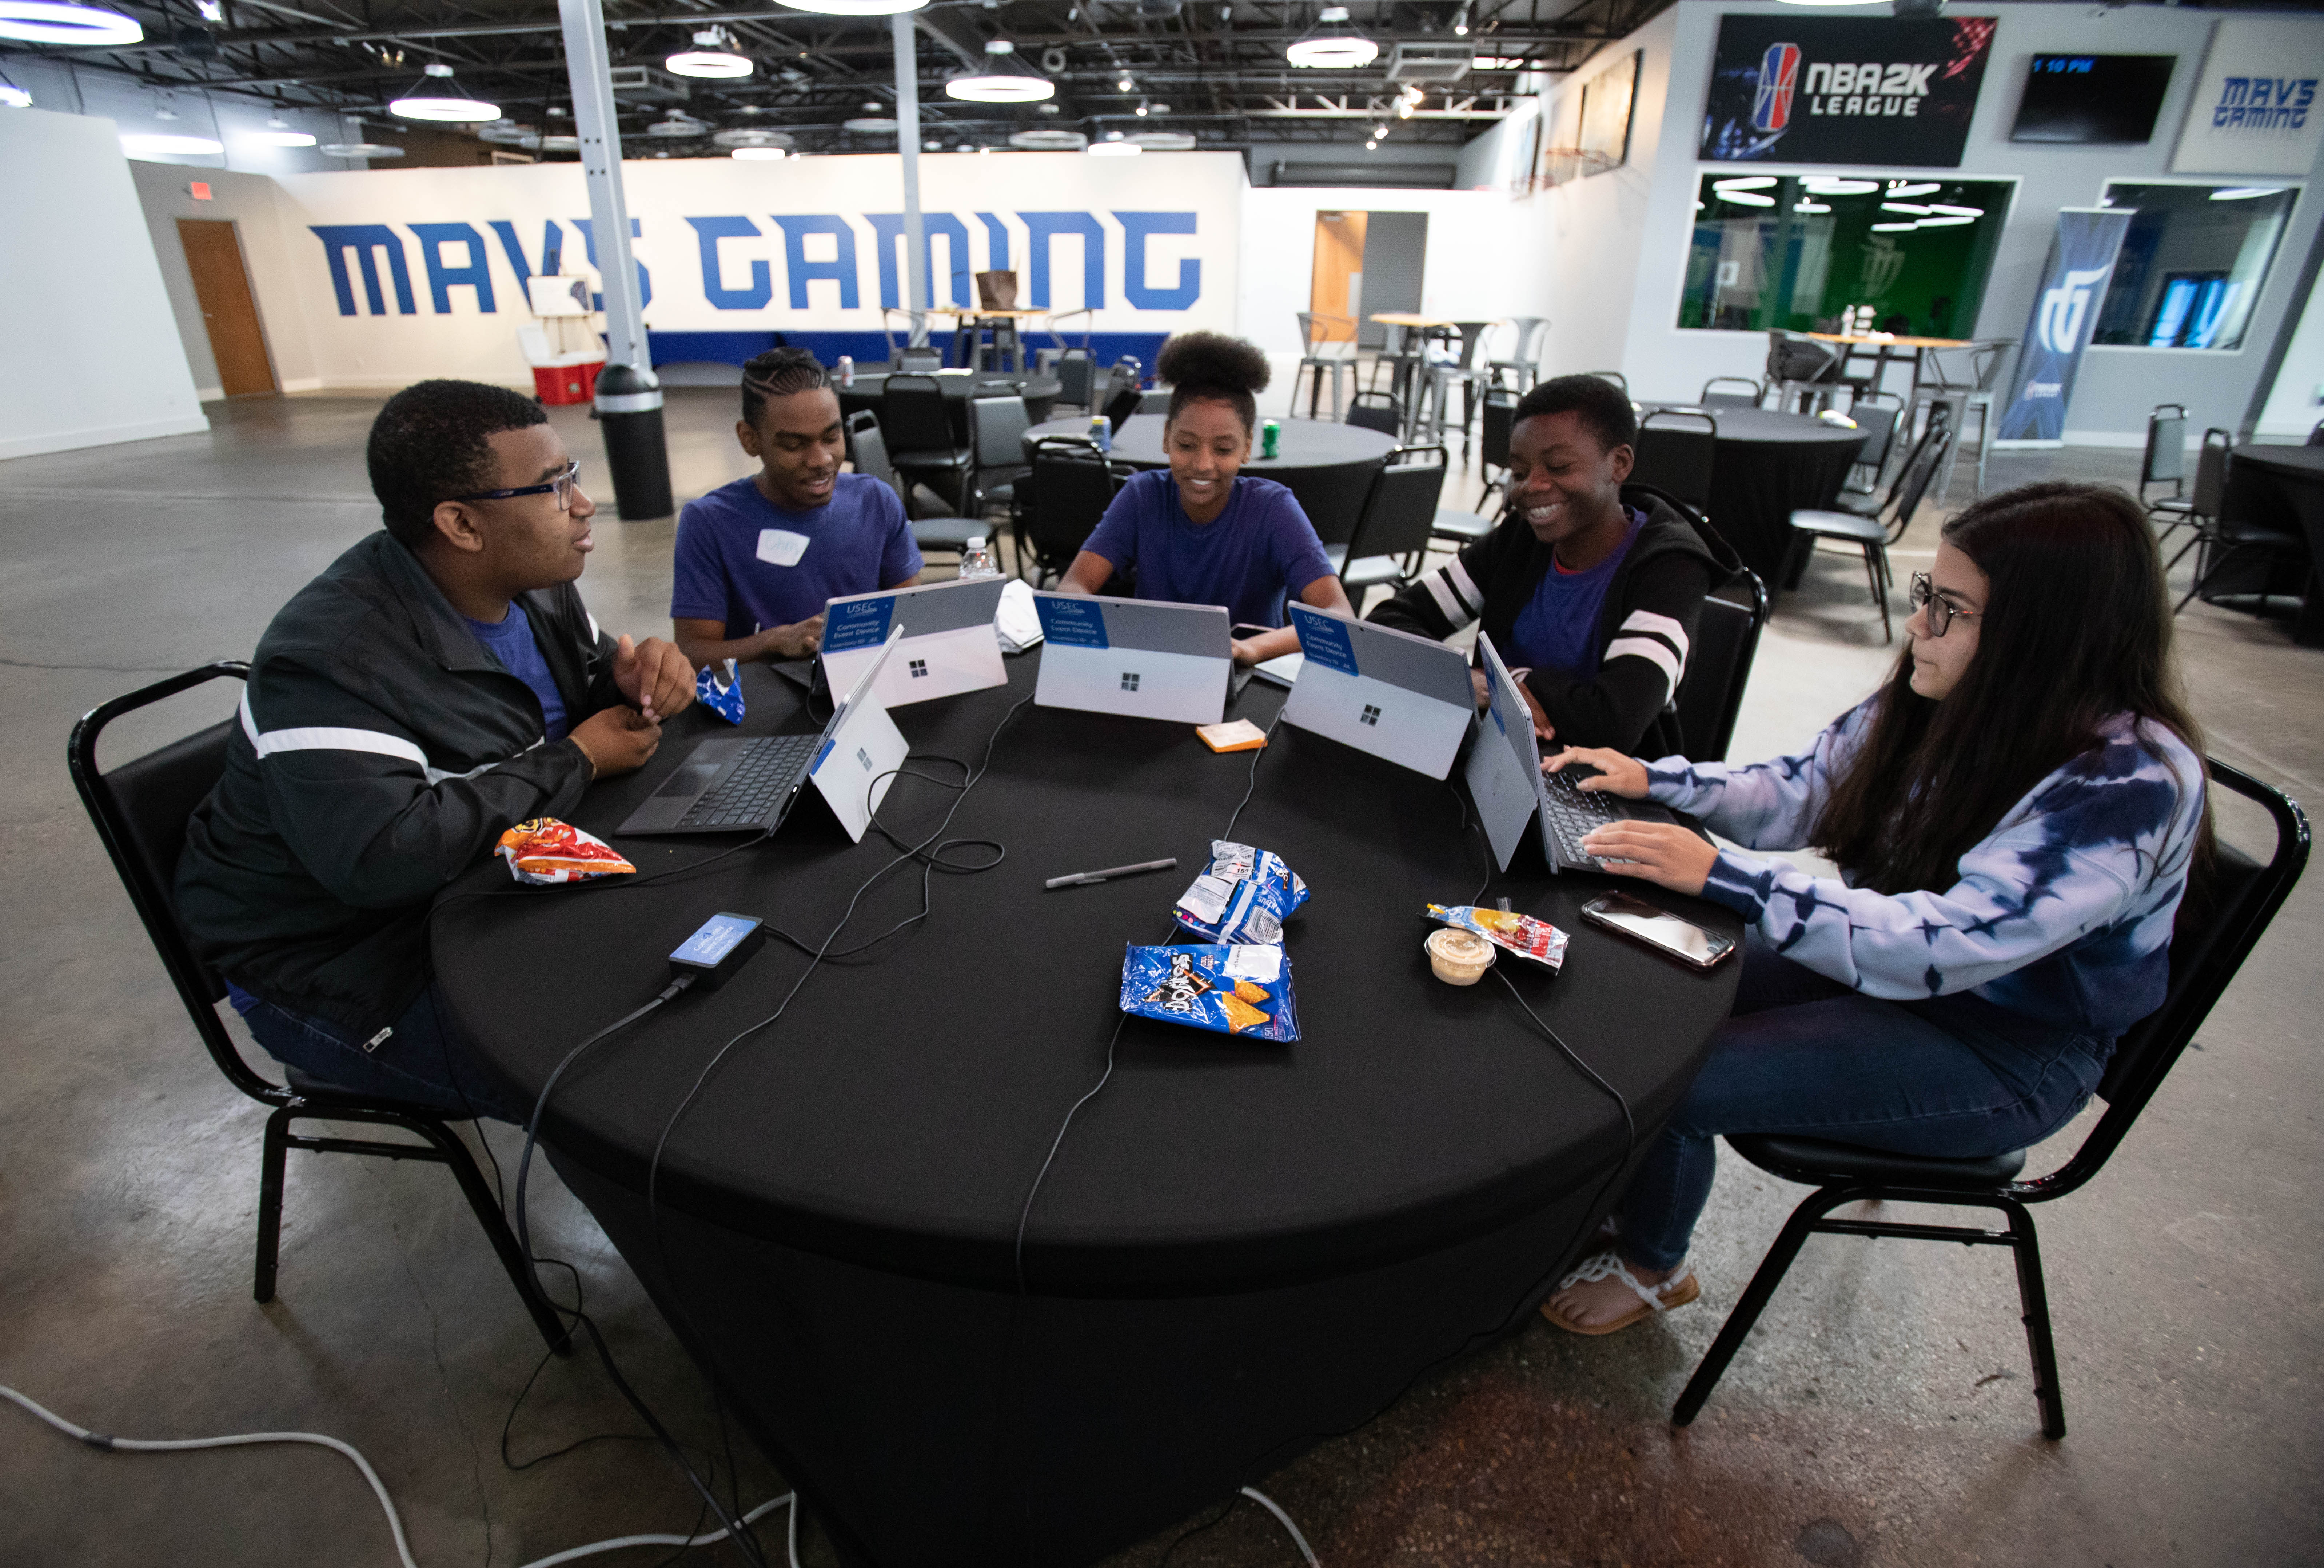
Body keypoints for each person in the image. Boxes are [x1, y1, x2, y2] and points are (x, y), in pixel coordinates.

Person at [1535, 483, 2210, 1335]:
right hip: (1893, 971)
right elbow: (1801, 788)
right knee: (1645, 983)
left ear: (2041, 634)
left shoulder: (2128, 784)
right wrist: (1653, 779)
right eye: (1925, 595)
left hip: (2004, 1050)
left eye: (1950, 610)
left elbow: (1943, 946)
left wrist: (1724, 878)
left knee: (1680, 1076)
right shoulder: (1953, 697)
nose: (1917, 626)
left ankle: (1650, 1266)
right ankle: (1622, 1191)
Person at [175, 380, 695, 1119]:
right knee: (622, 1087)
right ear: (459, 522)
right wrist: (577, 757)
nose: (582, 505)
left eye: (572, 475)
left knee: (686, 974)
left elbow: (531, 713)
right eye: (551, 488)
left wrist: (618, 683)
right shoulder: (331, 659)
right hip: (345, 969)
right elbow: (382, 858)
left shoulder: (534, 583)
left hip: (473, 898)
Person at [1366, 375, 1717, 753]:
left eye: (1559, 466)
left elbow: (1615, 723)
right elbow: (1387, 624)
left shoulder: (1671, 567)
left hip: (1604, 784)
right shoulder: (1520, 538)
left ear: (1619, 463)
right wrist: (1477, 683)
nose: (1530, 486)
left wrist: (1508, 683)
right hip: (1501, 757)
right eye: (1518, 472)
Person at [1059, 332, 1352, 666]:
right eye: (1186, 445)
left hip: (1246, 677)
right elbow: (1073, 588)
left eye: (1224, 449)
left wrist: (1251, 649)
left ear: (1246, 448)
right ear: (1167, 438)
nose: (1203, 464)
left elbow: (1338, 615)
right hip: (1156, 667)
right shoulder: (1143, 495)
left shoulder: (1272, 508)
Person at [671, 347, 923, 669]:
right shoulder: (709, 523)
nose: (820, 461)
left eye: (832, 438)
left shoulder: (876, 502)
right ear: (750, 440)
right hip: (763, 709)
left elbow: (911, 621)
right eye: (794, 445)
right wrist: (774, 642)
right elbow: (692, 654)